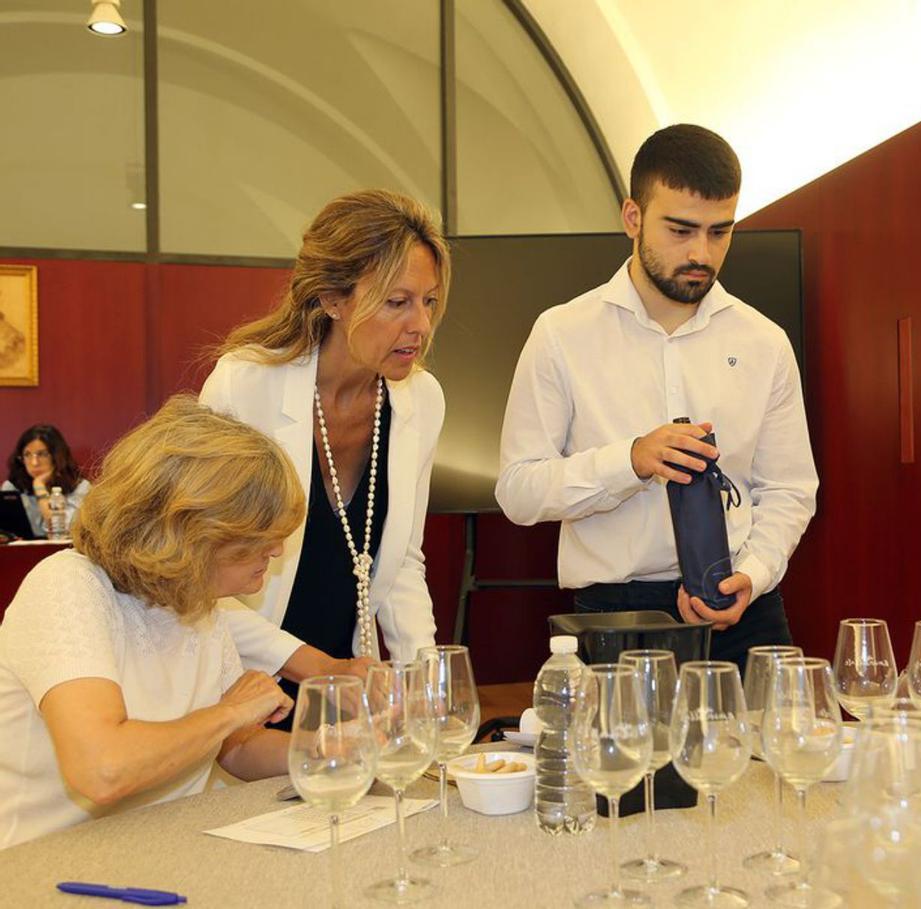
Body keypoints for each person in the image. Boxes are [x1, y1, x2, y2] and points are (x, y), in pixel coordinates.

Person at [495, 124, 818, 673]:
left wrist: (755, 573)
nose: (701, 253)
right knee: (625, 765)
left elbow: (789, 489)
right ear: (632, 218)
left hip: (746, 612)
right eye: (681, 229)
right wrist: (630, 461)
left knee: (776, 760)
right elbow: (519, 491)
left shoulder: (765, 342)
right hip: (617, 620)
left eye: (720, 232)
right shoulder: (561, 334)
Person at [0, 397, 300, 848]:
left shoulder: (197, 600)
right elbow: (102, 769)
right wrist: (230, 711)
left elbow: (235, 747)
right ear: (192, 530)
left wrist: (337, 750)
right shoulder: (67, 588)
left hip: (164, 853)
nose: (275, 551)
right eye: (259, 536)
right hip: (50, 870)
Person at [200, 189, 449, 689]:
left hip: (346, 686)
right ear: (332, 299)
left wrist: (424, 682)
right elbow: (200, 573)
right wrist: (313, 664)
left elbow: (402, 564)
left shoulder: (421, 399)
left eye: (429, 302)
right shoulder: (244, 385)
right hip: (244, 676)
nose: (420, 325)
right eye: (397, 302)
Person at [3, 424, 90, 538]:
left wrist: (39, 488)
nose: (34, 462)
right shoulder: (12, 488)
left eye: (42, 454)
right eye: (27, 455)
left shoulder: (80, 487)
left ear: (57, 456)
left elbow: (64, 530)